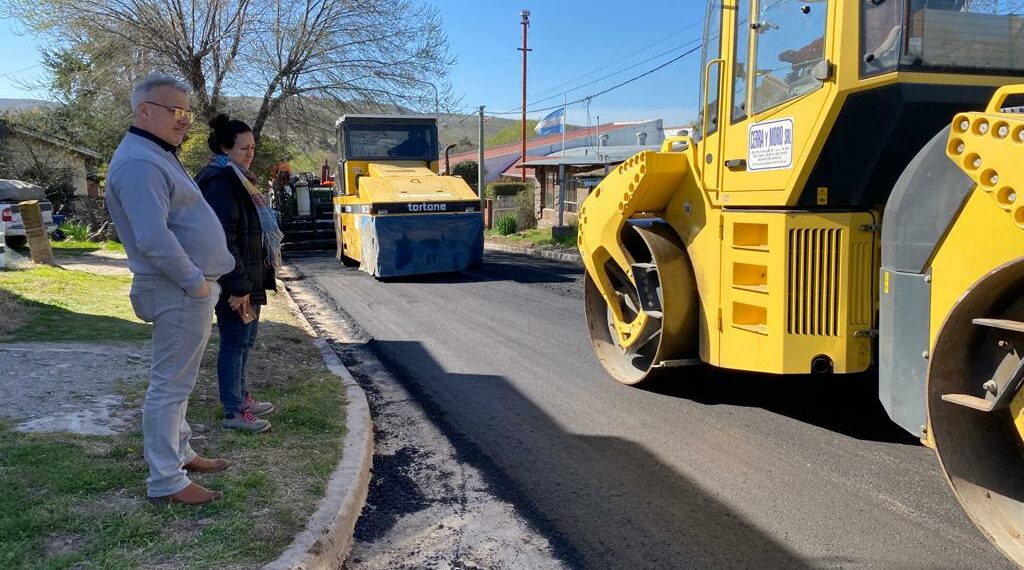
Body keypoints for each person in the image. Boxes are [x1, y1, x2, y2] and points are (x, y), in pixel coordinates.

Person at [106, 74, 235, 506]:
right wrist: (196, 283)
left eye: (187, 112)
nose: (184, 121)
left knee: (178, 381)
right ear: (145, 110)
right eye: (174, 111)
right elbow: (153, 237)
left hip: (184, 290)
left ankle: (180, 453)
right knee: (169, 386)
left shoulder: (154, 154)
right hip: (177, 290)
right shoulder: (141, 162)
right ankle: (166, 481)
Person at [195, 114, 283, 434]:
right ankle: (234, 411)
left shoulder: (239, 178)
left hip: (247, 275)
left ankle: (241, 399)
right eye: (243, 147)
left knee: (245, 342)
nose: (250, 153)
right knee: (234, 343)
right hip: (235, 280)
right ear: (224, 147)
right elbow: (222, 239)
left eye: (252, 147)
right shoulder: (220, 182)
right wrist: (239, 285)